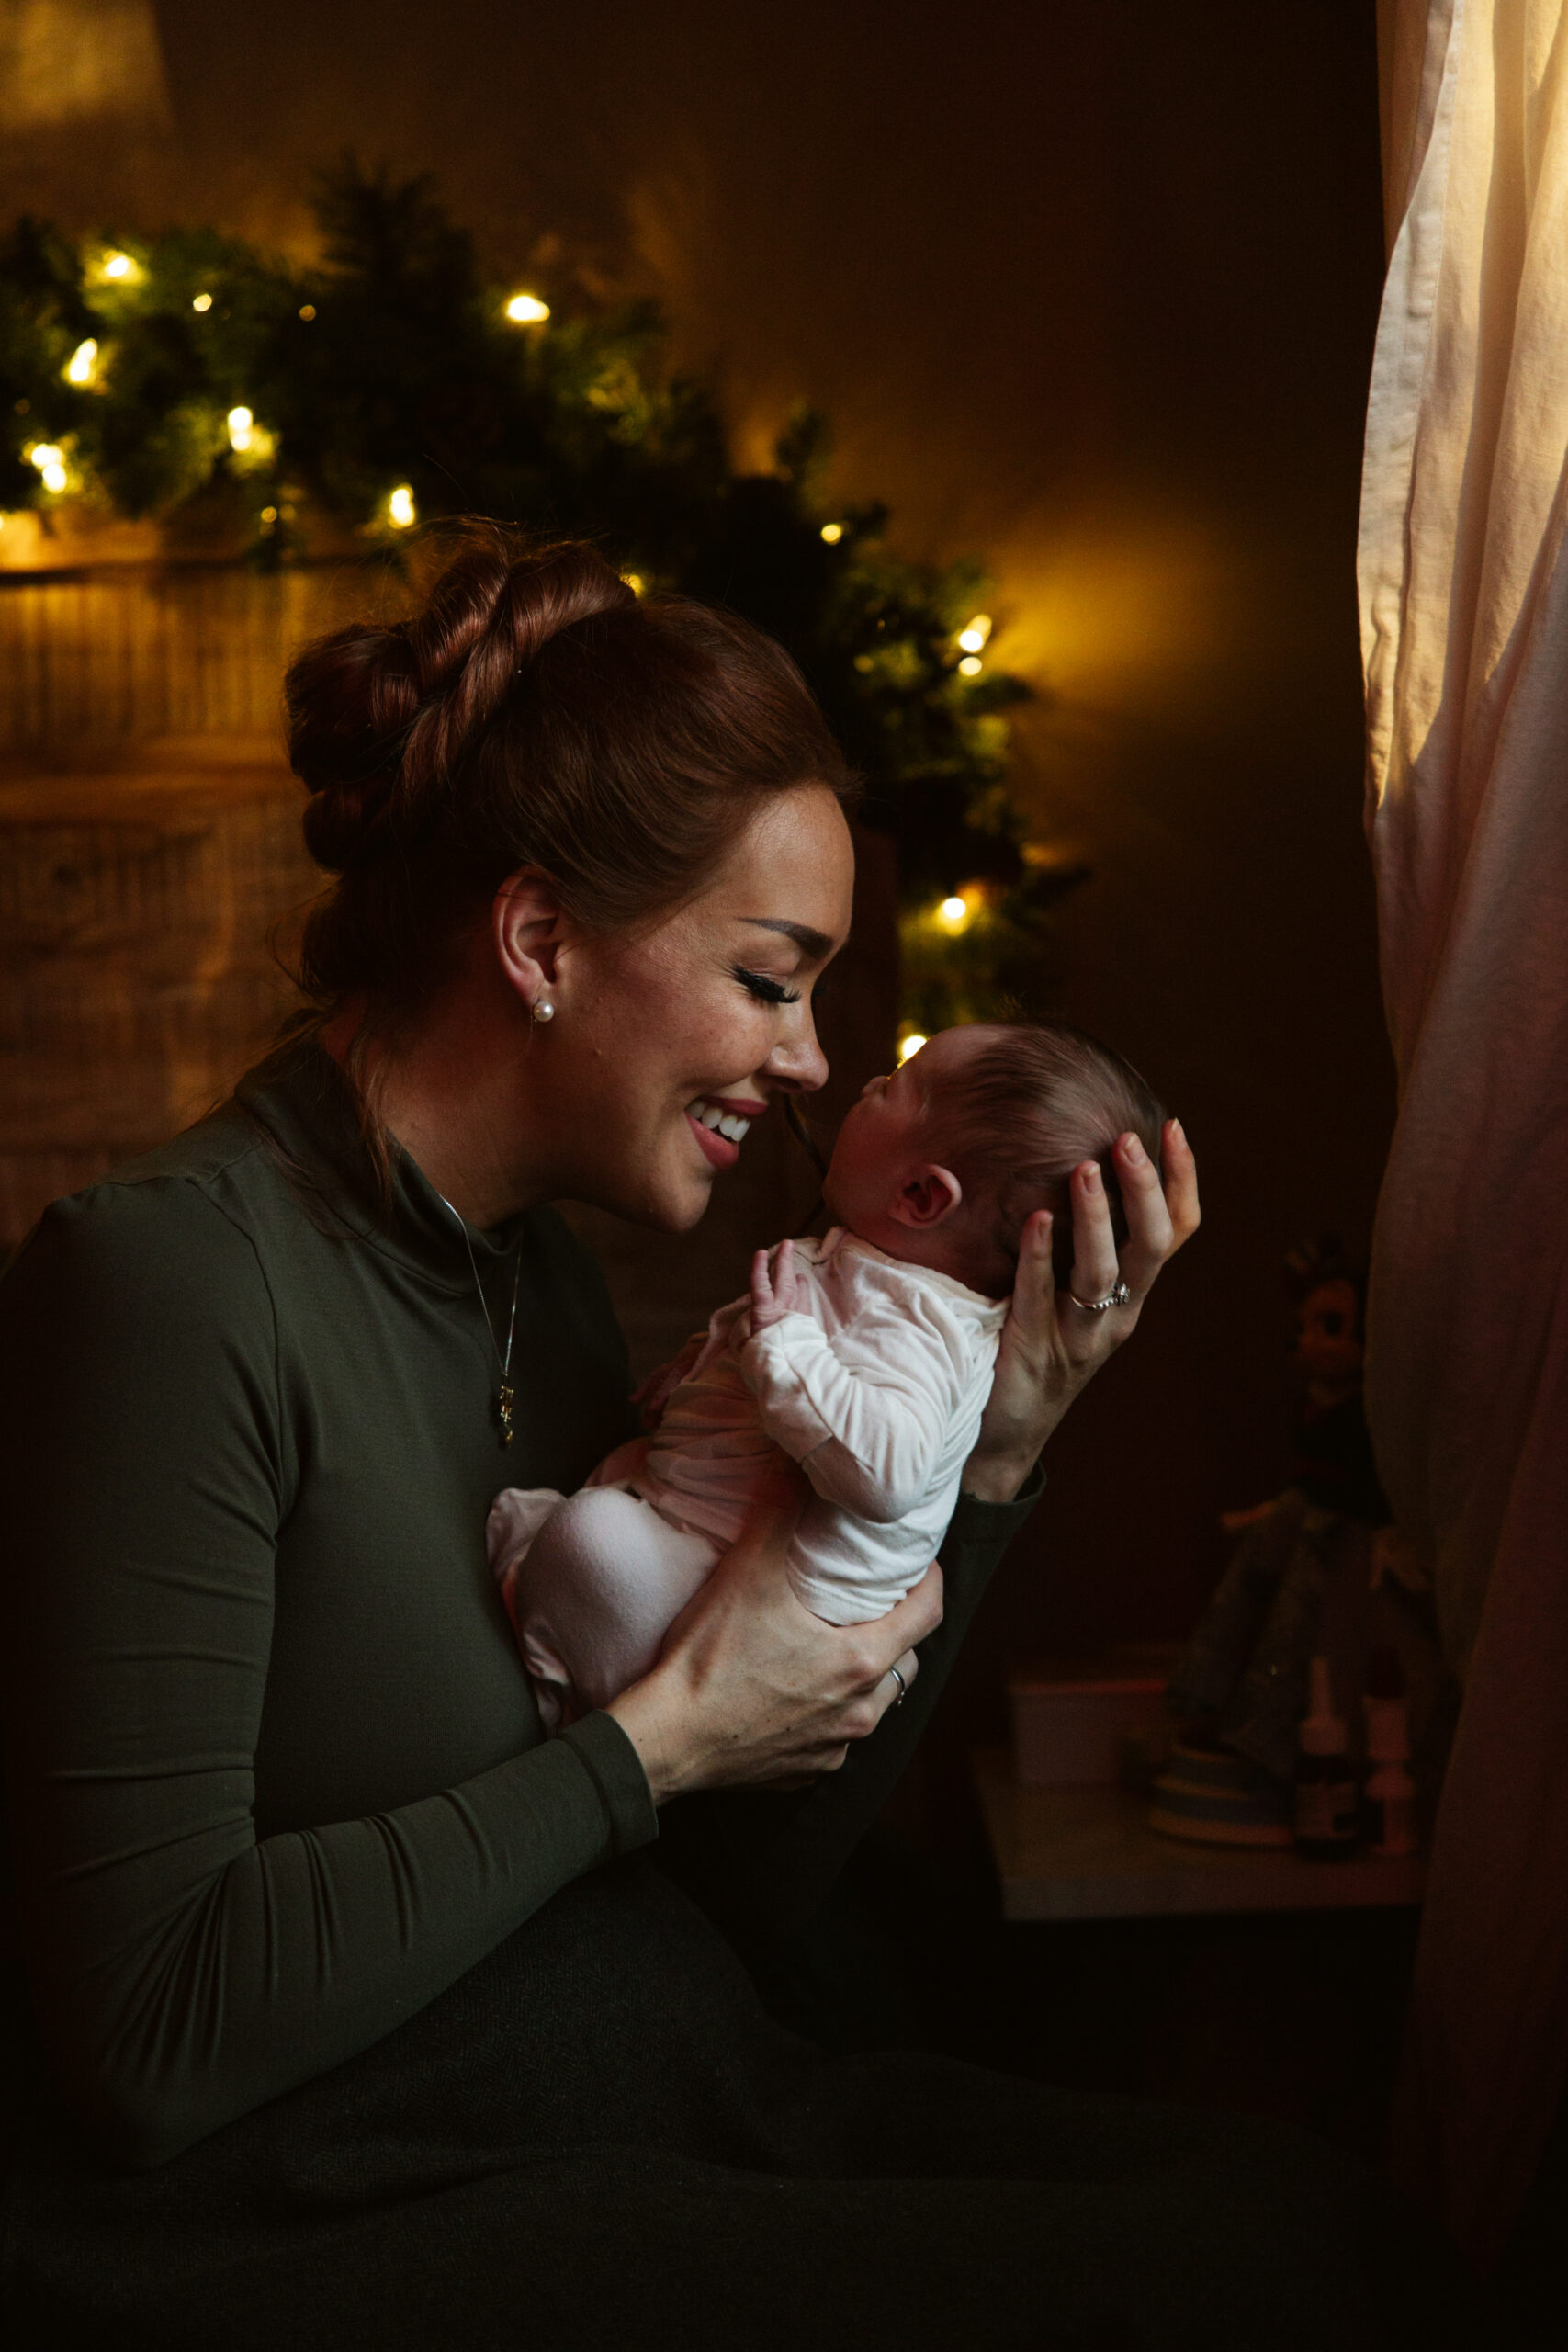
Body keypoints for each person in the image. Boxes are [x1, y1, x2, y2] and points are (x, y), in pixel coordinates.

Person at [0, 528, 1472, 2349]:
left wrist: (992, 1460)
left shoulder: (535, 1274)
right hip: (358, 2204)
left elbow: (735, 1874)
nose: (803, 1063)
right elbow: (147, 2031)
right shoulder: (165, 1287)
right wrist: (644, 1746)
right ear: (541, 937)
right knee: (1281, 2284)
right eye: (772, 978)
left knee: (1326, 2225)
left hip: (665, 2081)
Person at [491, 1022, 1164, 1729]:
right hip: (697, 1558)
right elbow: (779, 1341)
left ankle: (559, 1696)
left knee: (591, 1537)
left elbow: (888, 1472)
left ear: (923, 1197)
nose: (864, 1084)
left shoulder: (919, 1326)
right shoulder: (886, 1275)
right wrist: (696, 1369)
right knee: (582, 1502)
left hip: (738, 1624)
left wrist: (781, 1351)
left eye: (893, 1088)